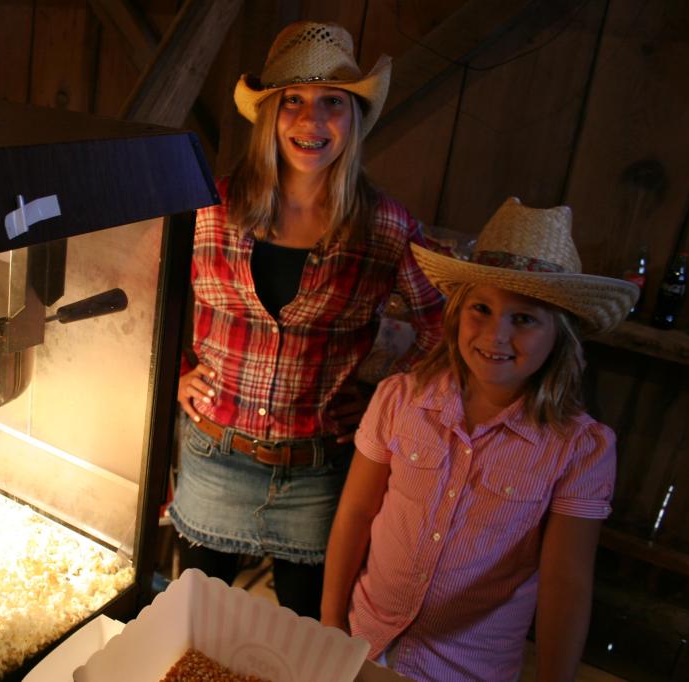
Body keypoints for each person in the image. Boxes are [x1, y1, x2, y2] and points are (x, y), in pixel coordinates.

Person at [168, 20, 445, 619]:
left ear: (354, 119)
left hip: (319, 474)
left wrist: (381, 401)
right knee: (190, 621)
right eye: (292, 100)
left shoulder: (386, 228)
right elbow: (148, 297)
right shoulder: (208, 208)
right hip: (214, 454)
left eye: (332, 104)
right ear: (269, 113)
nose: (310, 121)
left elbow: (445, 328)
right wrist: (176, 371)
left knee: (308, 633)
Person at [321, 197, 640, 680]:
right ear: (456, 314)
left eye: (525, 319)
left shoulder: (580, 449)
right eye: (482, 309)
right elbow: (357, 512)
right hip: (365, 642)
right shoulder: (399, 399)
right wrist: (330, 623)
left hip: (466, 669)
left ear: (560, 336)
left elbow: (564, 581)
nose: (495, 335)